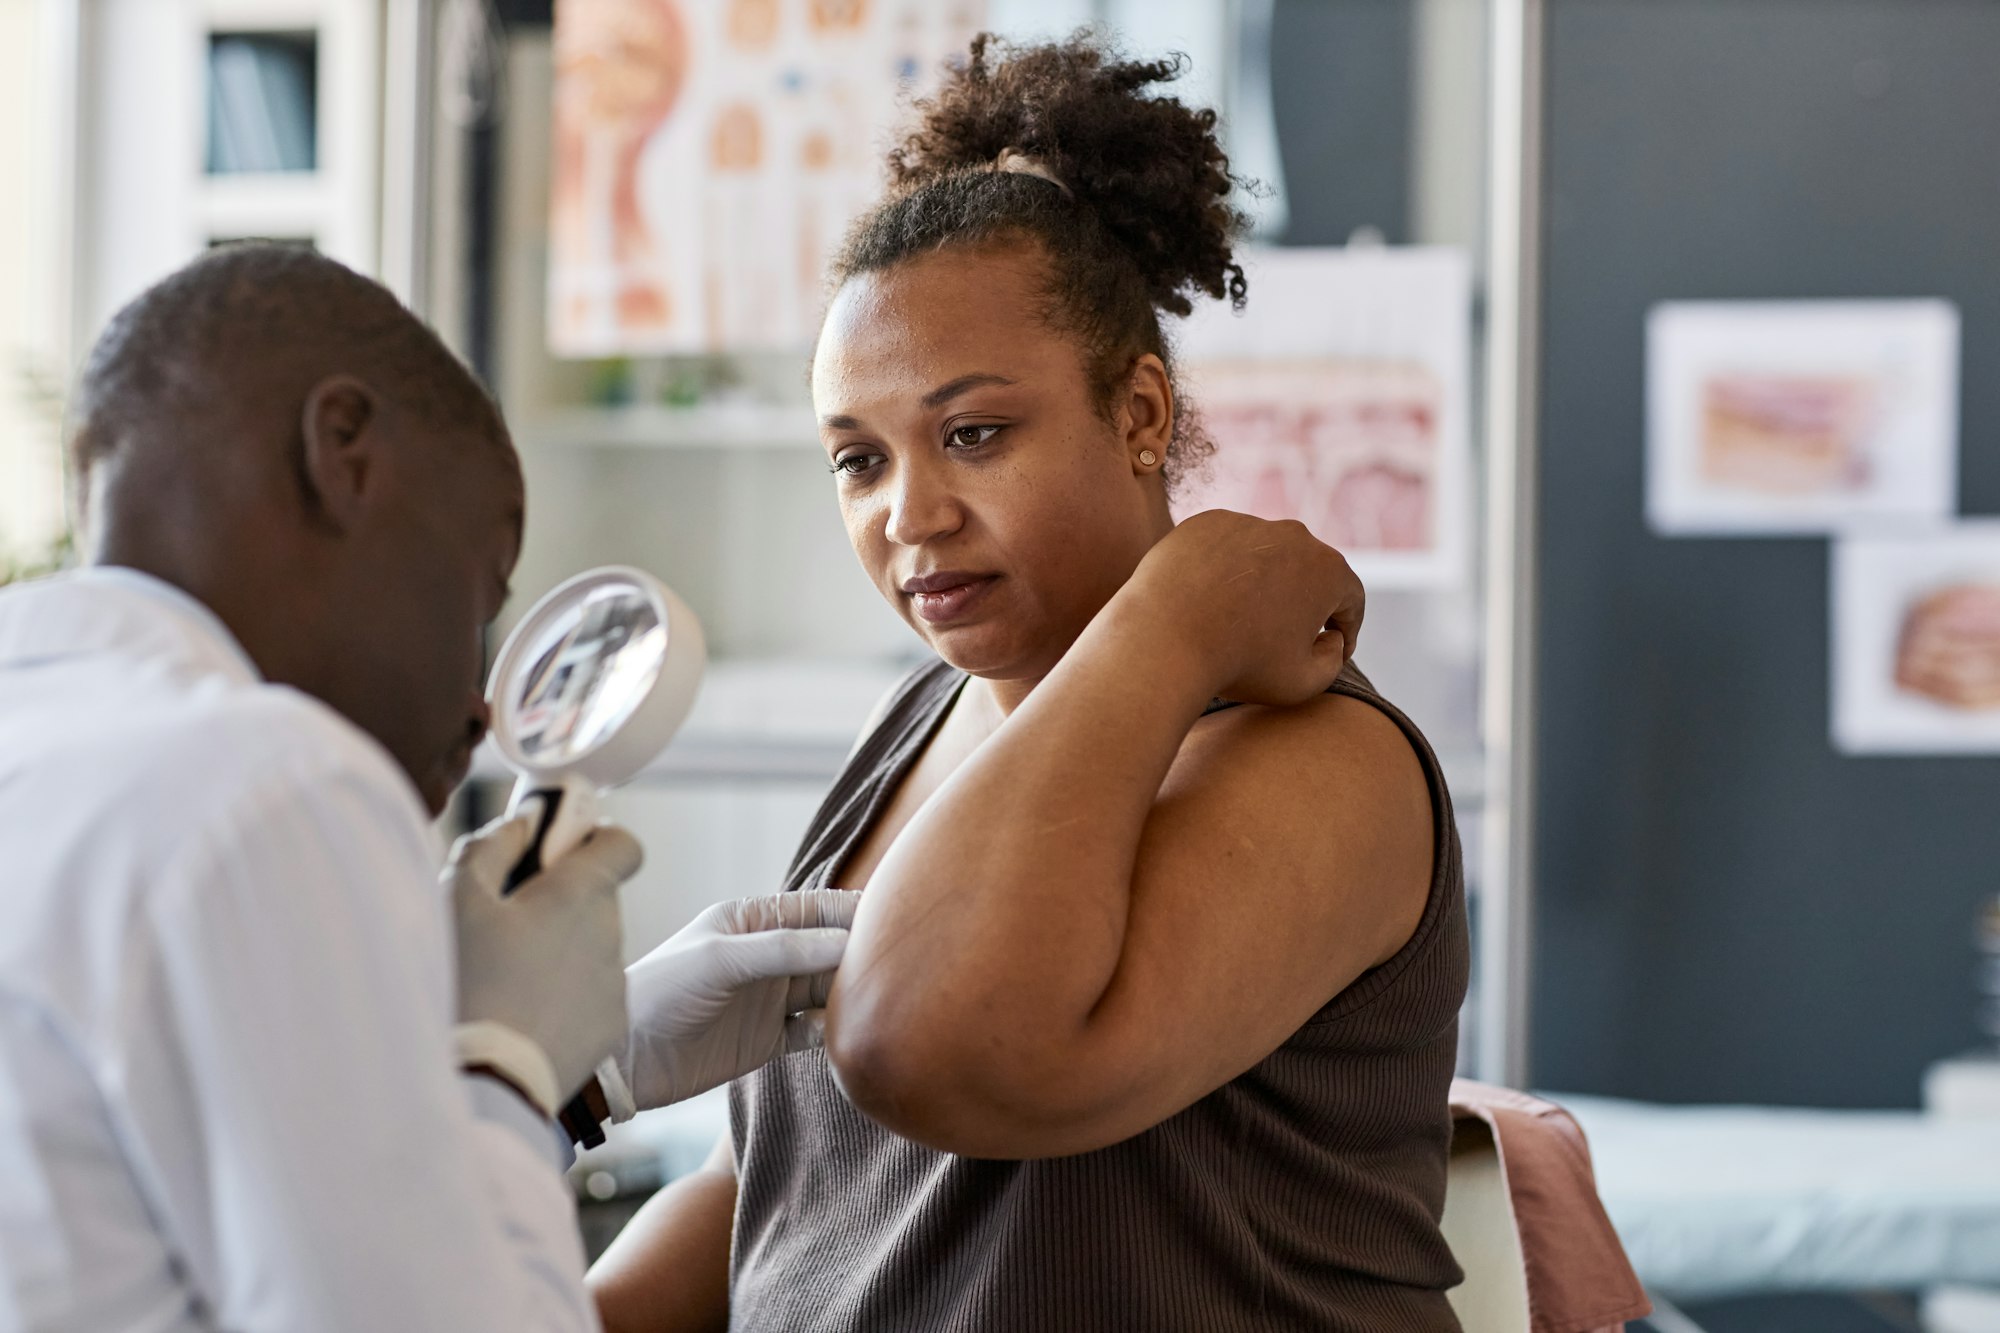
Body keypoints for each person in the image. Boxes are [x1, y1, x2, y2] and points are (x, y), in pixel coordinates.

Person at [588, 33, 1467, 1333]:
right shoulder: (921, 719)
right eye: (858, 461)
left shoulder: (1312, 761)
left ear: (1142, 417)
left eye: (975, 434)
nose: (911, 515)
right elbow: (786, 1183)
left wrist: (1176, 613)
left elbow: (944, 1048)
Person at [0, 244, 854, 1332]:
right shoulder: (270, 780)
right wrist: (503, 1061)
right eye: (479, 588)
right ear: (344, 450)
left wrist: (587, 1069)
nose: (480, 705)